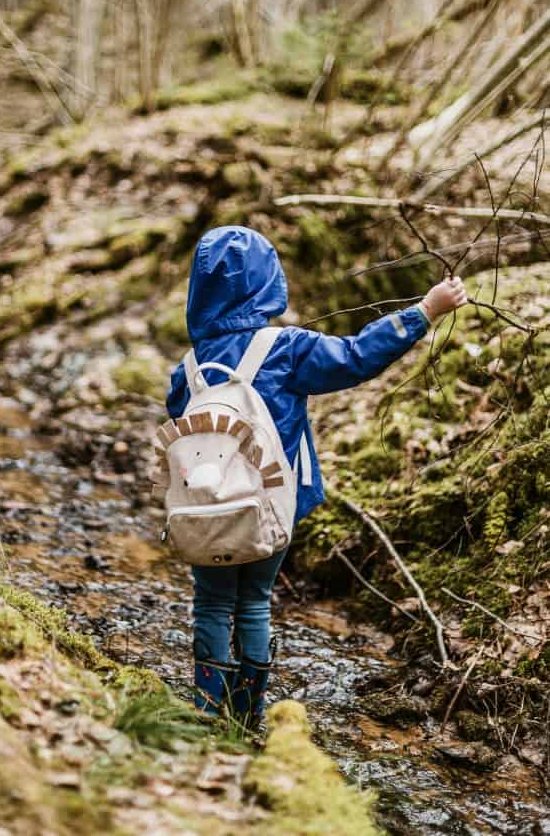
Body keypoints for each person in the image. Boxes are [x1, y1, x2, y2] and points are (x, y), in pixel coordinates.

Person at [166, 225, 467, 726]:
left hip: (204, 507)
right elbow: (354, 359)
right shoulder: (286, 348)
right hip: (271, 505)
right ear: (268, 283)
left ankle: (204, 712)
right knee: (256, 602)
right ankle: (247, 716)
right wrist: (424, 311)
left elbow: (181, 425)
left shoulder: (189, 367)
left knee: (213, 604)